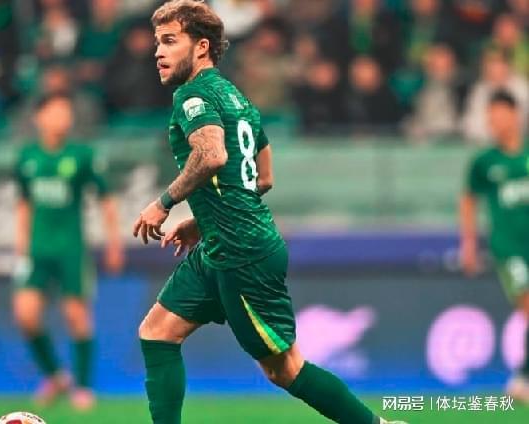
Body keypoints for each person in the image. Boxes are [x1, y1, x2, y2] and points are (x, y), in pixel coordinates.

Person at [133, 1, 406, 423]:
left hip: (241, 250)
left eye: (170, 41)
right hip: (221, 242)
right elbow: (263, 175)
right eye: (157, 43)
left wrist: (163, 203)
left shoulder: (192, 95)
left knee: (285, 369)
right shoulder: (235, 96)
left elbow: (212, 155)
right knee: (157, 332)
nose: (158, 52)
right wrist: (203, 220)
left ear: (201, 47)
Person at [13, 92, 124, 410]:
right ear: (39, 117)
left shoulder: (81, 155)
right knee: (25, 315)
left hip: (71, 249)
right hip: (37, 250)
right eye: (56, 111)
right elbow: (24, 203)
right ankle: (55, 375)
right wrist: (21, 243)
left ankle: (83, 387)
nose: (63, 117)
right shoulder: (27, 157)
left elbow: (106, 199)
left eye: (66, 111)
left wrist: (113, 243)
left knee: (76, 315)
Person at [460, 90, 529, 403]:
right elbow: (468, 199)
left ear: (515, 115)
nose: (496, 123)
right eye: (491, 118)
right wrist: (469, 243)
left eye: (500, 115)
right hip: (509, 246)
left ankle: (522, 376)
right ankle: (523, 377)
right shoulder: (485, 162)